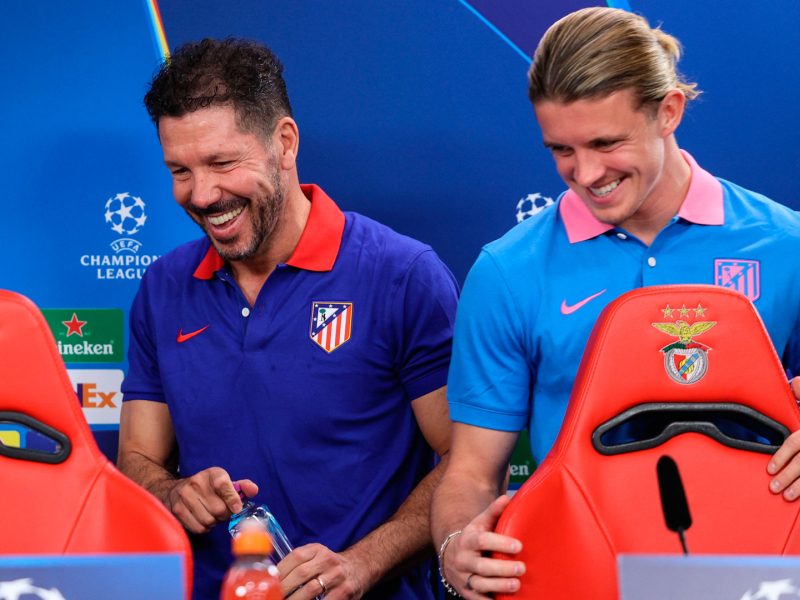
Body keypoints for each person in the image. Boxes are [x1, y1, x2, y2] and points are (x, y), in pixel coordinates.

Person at [431, 7, 800, 598]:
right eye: (561, 149)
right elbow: (472, 470)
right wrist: (456, 546)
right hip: (573, 575)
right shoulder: (508, 270)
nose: (586, 173)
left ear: (668, 112)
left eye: (606, 142)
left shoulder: (787, 246)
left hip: (758, 578)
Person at [117, 38, 459, 600]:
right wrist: (172, 492)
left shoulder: (403, 275)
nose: (202, 194)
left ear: (284, 142)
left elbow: (465, 463)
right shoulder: (163, 288)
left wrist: (362, 564)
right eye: (180, 170)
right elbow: (136, 460)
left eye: (223, 163)